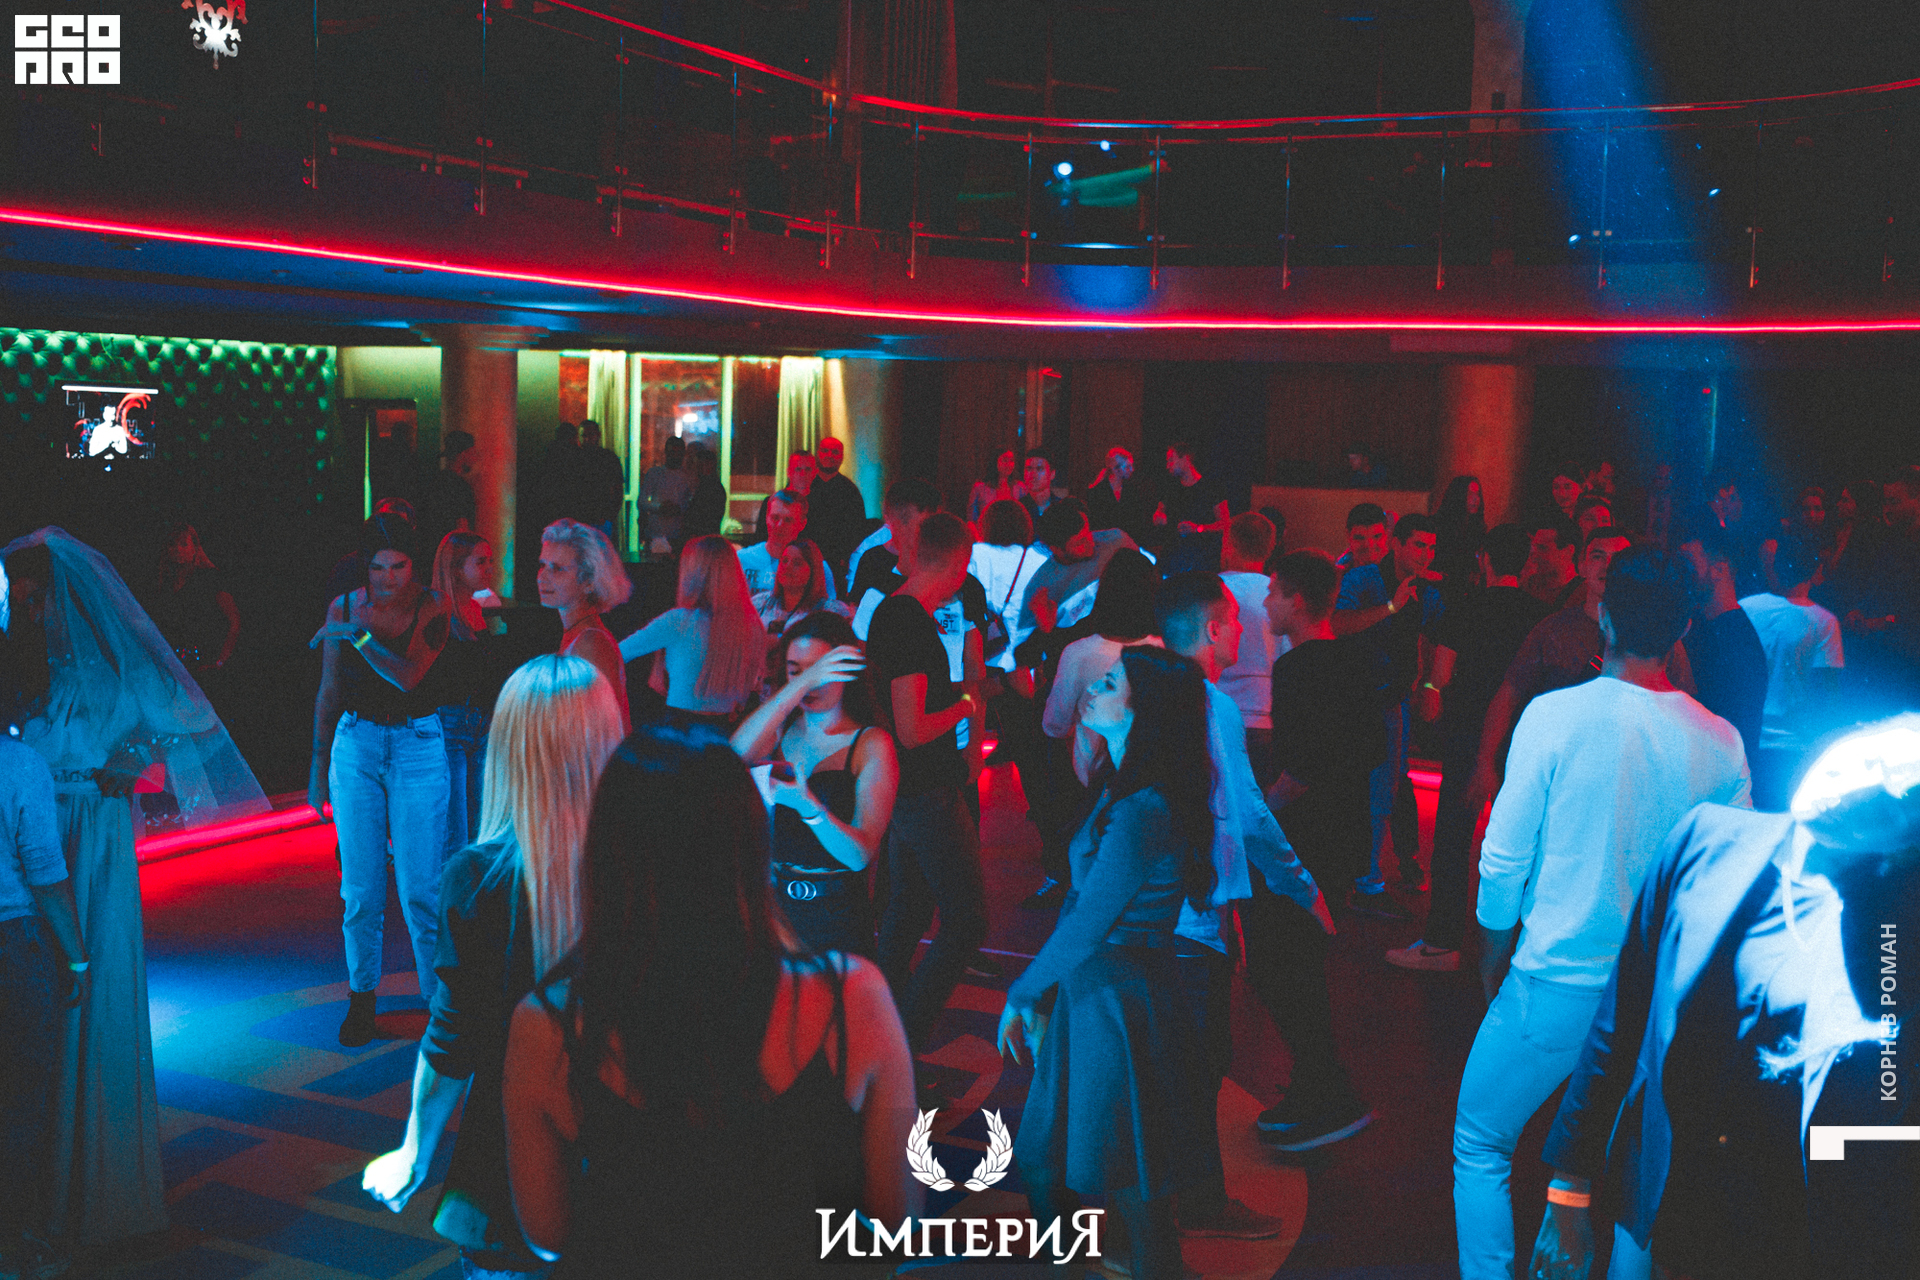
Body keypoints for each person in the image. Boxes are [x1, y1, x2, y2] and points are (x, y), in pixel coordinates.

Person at [502, 723, 918, 1278]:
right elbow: (898, 1221)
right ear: (751, 846)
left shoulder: (547, 1023)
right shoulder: (854, 996)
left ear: (607, 853)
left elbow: (546, 1233)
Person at [1529, 716, 1920, 1280]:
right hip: (1663, 1203)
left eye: (1891, 794)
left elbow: (1890, 1127)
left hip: (1785, 1234)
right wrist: (1569, 1188)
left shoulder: (1890, 937)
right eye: (1871, 754)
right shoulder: (1705, 838)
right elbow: (1620, 1019)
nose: (1859, 781)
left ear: (1903, 847)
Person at [1454, 546, 1750, 1280]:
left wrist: (1492, 957)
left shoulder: (1554, 716)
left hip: (1555, 982)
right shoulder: (1721, 742)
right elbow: (1727, 890)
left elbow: (1503, 859)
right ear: (1683, 627)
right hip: (1654, 1002)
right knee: (1634, 1179)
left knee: (1482, 1142)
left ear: (1605, 615)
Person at [5, 529, 267, 1245]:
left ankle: (97, 1191)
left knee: (93, 995)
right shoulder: (19, 665)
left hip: (92, 832)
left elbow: (191, 717)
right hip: (32, 831)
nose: (28, 613)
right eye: (19, 600)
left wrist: (139, 753)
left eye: (35, 599)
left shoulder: (111, 666)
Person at [360, 655, 625, 1276]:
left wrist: (414, 1154)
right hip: (632, 1153)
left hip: (512, 1166)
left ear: (508, 748)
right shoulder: (648, 864)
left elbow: (454, 1037)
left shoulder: (478, 879)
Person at [997, 646, 1220, 1280]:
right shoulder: (1121, 788)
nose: (1092, 688)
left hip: (1116, 997)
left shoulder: (1143, 808)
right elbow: (1084, 911)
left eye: (1111, 682)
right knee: (1085, 1156)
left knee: (1107, 1161)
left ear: (1143, 712)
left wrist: (1023, 991)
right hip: (1102, 990)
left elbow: (1089, 919)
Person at [1152, 574, 1335, 1231]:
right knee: (1201, 1060)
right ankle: (1194, 1204)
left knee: (1169, 1058)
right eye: (1232, 621)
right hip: (1193, 914)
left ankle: (1154, 1203)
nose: (1242, 630)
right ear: (1211, 630)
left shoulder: (1138, 693)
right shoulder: (1212, 706)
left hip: (1150, 911)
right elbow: (1250, 815)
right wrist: (1303, 887)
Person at [311, 515, 455, 1046]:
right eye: (377, 567)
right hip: (356, 743)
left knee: (422, 890)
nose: (387, 578)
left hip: (418, 743)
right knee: (360, 889)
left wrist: (359, 638)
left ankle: (439, 1006)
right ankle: (361, 999)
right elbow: (329, 690)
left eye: (398, 566)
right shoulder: (344, 606)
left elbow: (409, 674)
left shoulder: (432, 605)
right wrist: (316, 769)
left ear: (413, 566)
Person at [1256, 551, 1379, 1150]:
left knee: (1280, 964)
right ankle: (1316, 1083)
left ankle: (1327, 1091)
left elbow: (1299, 766)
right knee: (1300, 962)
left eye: (1274, 592)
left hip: (1306, 836)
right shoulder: (1356, 660)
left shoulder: (1296, 669)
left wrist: (1258, 818)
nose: (1265, 602)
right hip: (1346, 830)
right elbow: (1371, 748)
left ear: (1297, 600)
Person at [1390, 523, 1548, 972]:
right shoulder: (1541, 614)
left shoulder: (1465, 606)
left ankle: (1443, 942)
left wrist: (1429, 695)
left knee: (1453, 838)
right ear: (1526, 564)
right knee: (1523, 839)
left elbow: (1439, 675)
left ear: (1484, 559)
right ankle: (1517, 944)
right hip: (1523, 735)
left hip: (1467, 733)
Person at [868, 513, 986, 1047]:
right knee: (966, 921)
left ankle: (879, 1026)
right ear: (959, 563)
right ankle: (906, 1034)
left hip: (905, 786)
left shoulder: (893, 613)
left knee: (908, 910)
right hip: (926, 788)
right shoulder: (912, 623)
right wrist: (963, 705)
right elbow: (913, 729)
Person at [731, 612, 899, 957]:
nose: (811, 684)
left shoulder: (872, 743)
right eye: (797, 670)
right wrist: (796, 688)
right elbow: (731, 759)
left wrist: (807, 806)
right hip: (774, 911)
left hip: (836, 915)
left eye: (821, 670)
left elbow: (859, 856)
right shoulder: (780, 729)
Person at [0, 645, 87, 1280]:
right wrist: (77, 959)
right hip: (12, 942)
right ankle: (15, 1243)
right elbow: (47, 874)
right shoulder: (20, 763)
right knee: (22, 1097)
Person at [1332, 511, 1444, 901]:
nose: (1426, 554)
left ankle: (1376, 874)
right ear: (1396, 545)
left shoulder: (1428, 590)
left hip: (1393, 699)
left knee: (1389, 786)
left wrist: (1429, 685)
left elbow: (1434, 639)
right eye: (1419, 545)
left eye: (1431, 547)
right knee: (1362, 784)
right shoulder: (1362, 578)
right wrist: (1391, 607)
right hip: (1353, 696)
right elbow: (1338, 624)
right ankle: (1359, 876)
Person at [1741, 534, 1845, 809]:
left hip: (1745, 737)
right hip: (1794, 744)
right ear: (1815, 569)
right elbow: (1827, 693)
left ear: (1776, 565)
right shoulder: (1824, 621)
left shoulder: (1745, 608)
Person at [617, 535, 763, 727]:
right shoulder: (752, 625)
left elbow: (617, 652)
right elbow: (752, 686)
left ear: (693, 574)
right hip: (726, 729)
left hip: (680, 729)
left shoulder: (679, 621)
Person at [430, 531, 504, 857]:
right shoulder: (439, 611)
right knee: (456, 828)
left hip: (482, 722)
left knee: (480, 821)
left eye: (490, 561)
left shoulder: (475, 607)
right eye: (481, 562)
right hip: (451, 722)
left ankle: (471, 884)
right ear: (456, 569)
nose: (489, 568)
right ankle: (455, 886)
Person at [1678, 528, 1770, 768]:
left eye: (1689, 563)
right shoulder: (1711, 629)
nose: (1683, 573)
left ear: (1718, 570)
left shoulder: (1736, 640)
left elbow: (1732, 723)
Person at [1216, 512, 1279, 778]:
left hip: (1215, 713)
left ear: (1228, 543)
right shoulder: (1279, 594)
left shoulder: (1212, 589)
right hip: (1264, 716)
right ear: (1271, 547)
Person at [148, 521, 239, 676]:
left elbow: (234, 621)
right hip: (172, 666)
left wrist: (220, 662)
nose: (178, 549)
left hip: (204, 667)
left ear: (195, 548)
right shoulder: (164, 584)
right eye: (172, 544)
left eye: (184, 544)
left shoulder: (210, 578)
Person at [968, 499, 1043, 674]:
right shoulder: (1038, 560)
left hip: (983, 654)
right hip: (1025, 659)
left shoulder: (975, 554)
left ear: (986, 524)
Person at [846, 478, 940, 608]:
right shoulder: (872, 559)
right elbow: (855, 608)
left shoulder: (938, 558)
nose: (925, 532)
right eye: (921, 525)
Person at [740, 487, 838, 601]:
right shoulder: (742, 560)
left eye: (788, 520)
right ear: (766, 518)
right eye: (775, 518)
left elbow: (828, 609)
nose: (779, 525)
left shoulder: (817, 568)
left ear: (802, 524)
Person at [1151, 440, 1232, 571]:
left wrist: (1198, 528)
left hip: (1203, 559)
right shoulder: (1171, 488)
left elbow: (1225, 524)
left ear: (1185, 458)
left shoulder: (1212, 487)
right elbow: (1159, 512)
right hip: (1173, 557)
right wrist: (1159, 517)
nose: (1168, 465)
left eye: (1171, 460)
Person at [751, 538, 844, 642]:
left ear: (813, 571)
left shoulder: (832, 611)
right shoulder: (759, 603)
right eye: (784, 560)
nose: (787, 566)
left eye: (797, 563)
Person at [808, 437, 868, 586]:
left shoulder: (850, 491)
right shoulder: (805, 485)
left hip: (836, 564)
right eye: (825, 451)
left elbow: (857, 530)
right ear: (818, 454)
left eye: (835, 452)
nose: (829, 455)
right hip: (804, 557)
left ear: (842, 457)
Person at [420, 430, 479, 548]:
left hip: (431, 550)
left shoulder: (433, 481)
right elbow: (462, 530)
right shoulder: (461, 487)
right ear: (463, 454)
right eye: (473, 453)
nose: (475, 458)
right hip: (451, 551)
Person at [1431, 475, 1487, 596]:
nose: (1475, 499)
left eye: (1477, 494)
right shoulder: (1439, 525)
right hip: (1441, 589)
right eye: (1470, 494)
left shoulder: (1476, 528)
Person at [1086, 446, 1152, 545]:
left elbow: (1138, 523)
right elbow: (1095, 525)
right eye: (1127, 467)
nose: (1132, 470)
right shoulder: (1097, 492)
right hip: (1105, 545)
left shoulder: (1132, 491)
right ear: (1115, 469)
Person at [753, 453, 822, 548]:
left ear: (815, 473)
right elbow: (761, 537)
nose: (803, 474)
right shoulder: (773, 503)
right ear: (789, 472)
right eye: (798, 469)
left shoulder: (822, 506)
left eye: (808, 469)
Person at [638, 435, 693, 550]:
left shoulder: (689, 477)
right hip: (656, 533)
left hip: (678, 535)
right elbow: (641, 502)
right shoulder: (654, 473)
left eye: (679, 453)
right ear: (666, 452)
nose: (675, 456)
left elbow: (692, 504)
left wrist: (677, 509)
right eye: (673, 452)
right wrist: (660, 507)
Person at [574, 420, 626, 538]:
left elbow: (618, 490)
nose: (587, 439)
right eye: (584, 436)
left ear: (598, 435)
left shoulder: (609, 458)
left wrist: (609, 517)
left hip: (600, 520)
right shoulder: (575, 459)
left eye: (591, 435)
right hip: (583, 519)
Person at [1520, 512, 1582, 609]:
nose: (1534, 555)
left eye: (1542, 548)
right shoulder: (1527, 585)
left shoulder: (1582, 594)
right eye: (1534, 547)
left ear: (1568, 551)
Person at [968, 448, 1028, 526]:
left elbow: (1025, 517)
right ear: (995, 462)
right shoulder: (980, 488)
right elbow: (972, 519)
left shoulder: (1020, 488)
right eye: (1005, 460)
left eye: (1011, 460)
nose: (1009, 464)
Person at [682, 444, 728, 539]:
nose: (695, 469)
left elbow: (705, 517)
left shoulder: (710, 488)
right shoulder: (708, 486)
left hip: (703, 538)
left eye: (698, 465)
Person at [1020, 449, 1069, 524]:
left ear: (1052, 474)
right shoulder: (1019, 510)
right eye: (1029, 469)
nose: (1033, 474)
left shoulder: (1062, 508)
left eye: (1039, 469)